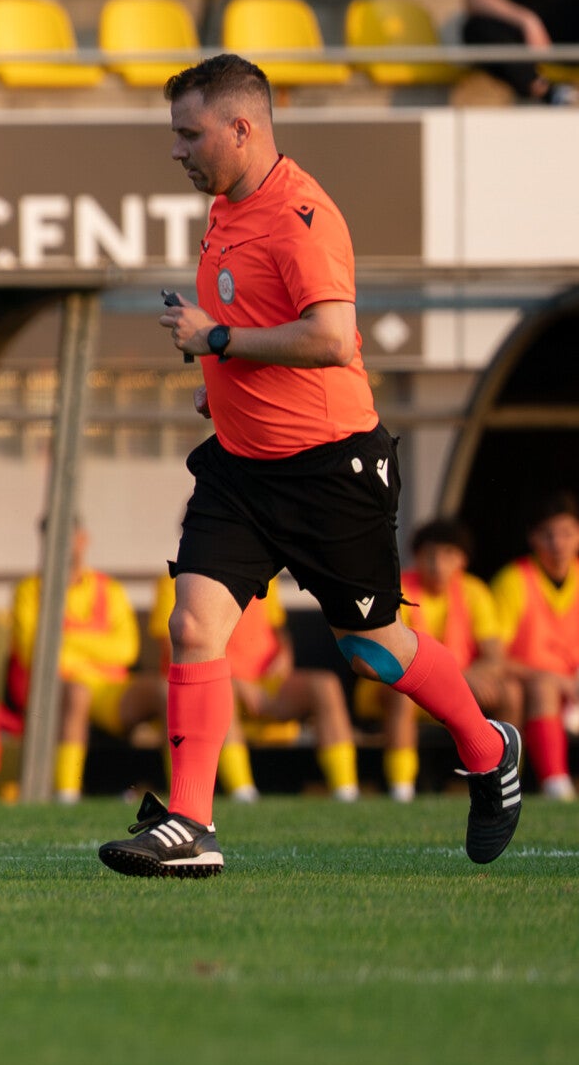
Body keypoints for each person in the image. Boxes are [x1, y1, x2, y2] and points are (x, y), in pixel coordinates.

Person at [101, 55, 522, 877]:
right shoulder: (225, 208)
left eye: (188, 133)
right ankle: (190, 823)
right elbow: (258, 325)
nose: (176, 150)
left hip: (330, 471)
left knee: (369, 648)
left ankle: (485, 746)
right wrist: (222, 386)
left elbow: (331, 339)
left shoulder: (302, 216)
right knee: (191, 625)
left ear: (240, 128)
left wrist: (216, 339)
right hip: (240, 469)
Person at [148, 572, 360, 803]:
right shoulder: (177, 581)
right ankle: (242, 792)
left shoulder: (264, 576)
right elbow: (177, 647)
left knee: (325, 685)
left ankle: (346, 792)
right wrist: (233, 678)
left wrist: (284, 655)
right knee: (222, 689)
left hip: (264, 682)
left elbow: (277, 628)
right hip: (215, 680)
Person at [6, 521, 162, 805]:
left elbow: (126, 650)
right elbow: (35, 652)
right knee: (77, 693)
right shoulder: (30, 590)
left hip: (109, 690)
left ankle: (191, 796)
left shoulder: (109, 589)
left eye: (69, 536)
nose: (63, 545)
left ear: (83, 539)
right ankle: (67, 794)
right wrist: (96, 645)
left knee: (166, 692)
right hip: (54, 689)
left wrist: (65, 640)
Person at [376, 519, 518, 802]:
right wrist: (461, 679)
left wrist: (463, 678)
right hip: (402, 687)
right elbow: (391, 657)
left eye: (448, 555)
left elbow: (495, 656)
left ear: (462, 560)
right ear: (416, 557)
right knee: (401, 696)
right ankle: (401, 788)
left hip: (458, 688)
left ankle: (505, 780)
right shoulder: (397, 588)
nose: (438, 565)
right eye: (430, 556)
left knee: (512, 693)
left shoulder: (474, 591)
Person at [490, 492, 579, 799]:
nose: (558, 544)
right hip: (533, 686)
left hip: (574, 687)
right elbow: (495, 658)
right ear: (533, 537)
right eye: (548, 534)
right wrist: (553, 679)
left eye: (567, 533)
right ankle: (555, 783)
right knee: (544, 687)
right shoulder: (513, 581)